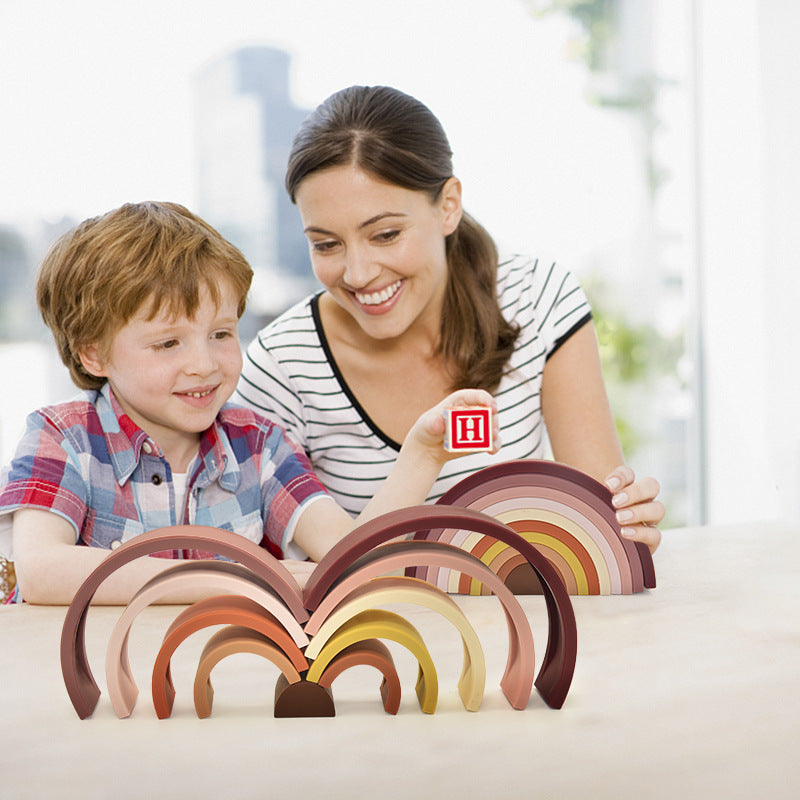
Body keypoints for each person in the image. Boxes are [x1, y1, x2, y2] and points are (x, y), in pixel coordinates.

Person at [0, 201, 498, 604]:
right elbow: (43, 572)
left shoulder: (260, 446)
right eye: (168, 343)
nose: (205, 364)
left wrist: (423, 453)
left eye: (220, 333)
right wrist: (242, 576)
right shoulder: (61, 437)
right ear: (93, 353)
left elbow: (351, 560)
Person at [234, 85, 664, 552]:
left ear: (448, 206)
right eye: (325, 244)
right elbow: (279, 567)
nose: (357, 274)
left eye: (385, 234)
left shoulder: (538, 298)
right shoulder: (281, 365)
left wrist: (628, 527)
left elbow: (600, 533)